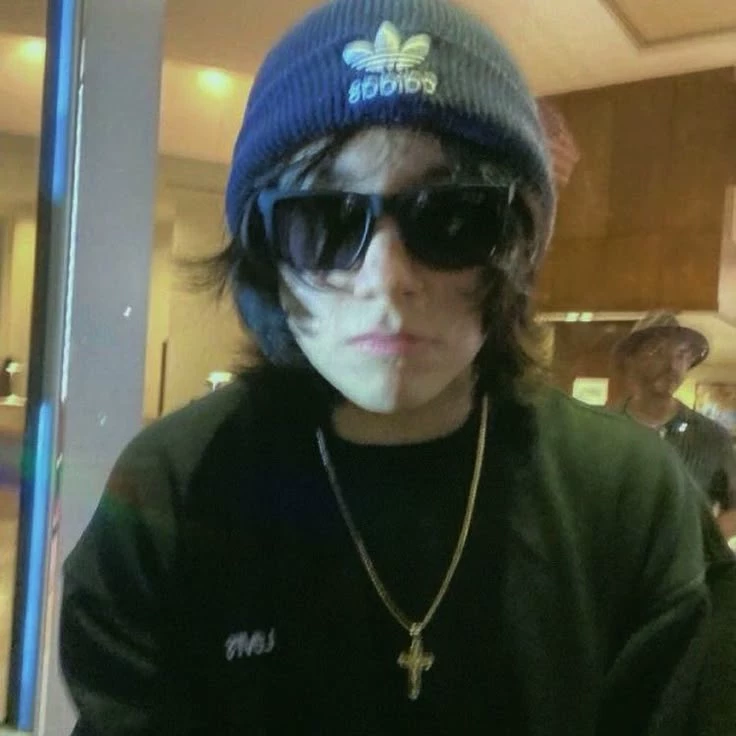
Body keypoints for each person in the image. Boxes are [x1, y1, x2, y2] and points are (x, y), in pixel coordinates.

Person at [60, 1, 735, 733]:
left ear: (516, 246)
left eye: (451, 218)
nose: (387, 279)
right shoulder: (170, 491)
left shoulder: (630, 499)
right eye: (324, 221)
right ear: (265, 255)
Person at [616, 311, 736, 540]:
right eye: (658, 352)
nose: (672, 366)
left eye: (681, 355)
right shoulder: (601, 430)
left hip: (686, 563)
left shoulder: (712, 437)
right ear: (631, 359)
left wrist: (700, 547)